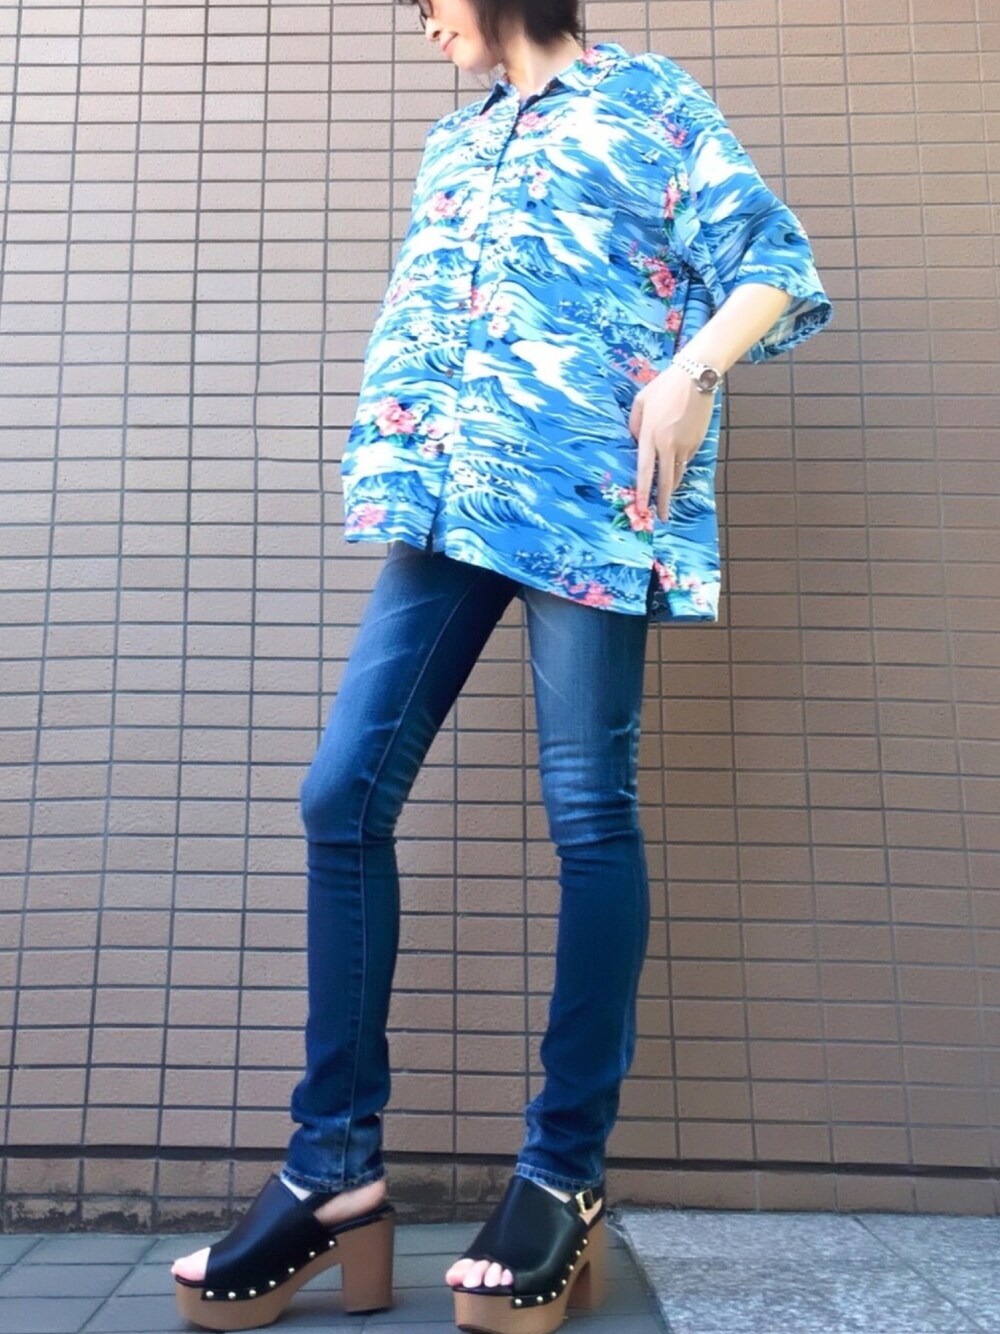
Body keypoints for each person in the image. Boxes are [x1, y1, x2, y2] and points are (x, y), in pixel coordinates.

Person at [171, 1, 833, 1331]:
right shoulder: (456, 142)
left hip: (587, 500)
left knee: (589, 810)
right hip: (447, 506)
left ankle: (561, 1173)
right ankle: (333, 1170)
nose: (423, 22)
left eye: (429, 0)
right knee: (341, 795)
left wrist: (694, 369)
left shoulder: (649, 102)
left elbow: (774, 260)